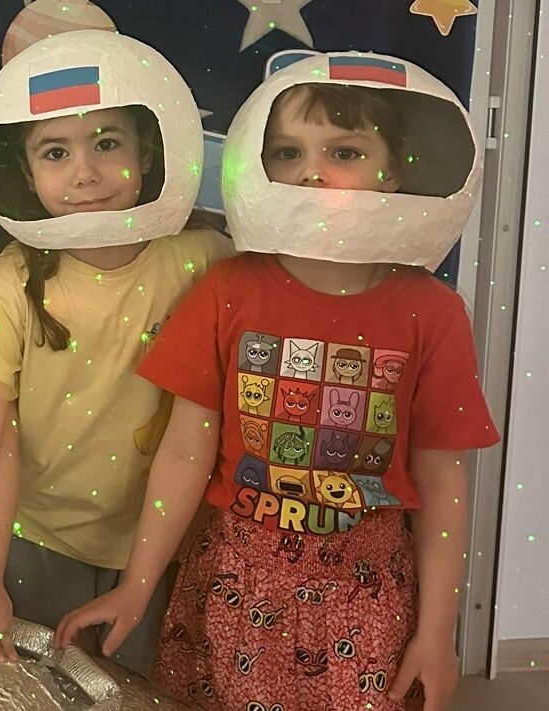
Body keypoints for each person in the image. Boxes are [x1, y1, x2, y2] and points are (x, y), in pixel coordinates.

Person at [55, 53, 499, 711]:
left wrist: (438, 632)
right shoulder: (227, 289)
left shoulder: (433, 311)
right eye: (288, 152)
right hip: (234, 584)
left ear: (394, 170)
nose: (311, 171)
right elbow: (185, 451)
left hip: (366, 595)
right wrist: (137, 585)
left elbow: (442, 481)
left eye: (344, 151)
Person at [0, 30, 232, 674]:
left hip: (170, 541)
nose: (85, 172)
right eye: (56, 152)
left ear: (147, 153)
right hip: (34, 539)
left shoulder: (207, 262)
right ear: (28, 175)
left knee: (136, 690)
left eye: (107, 143)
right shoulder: (9, 286)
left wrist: (143, 578)